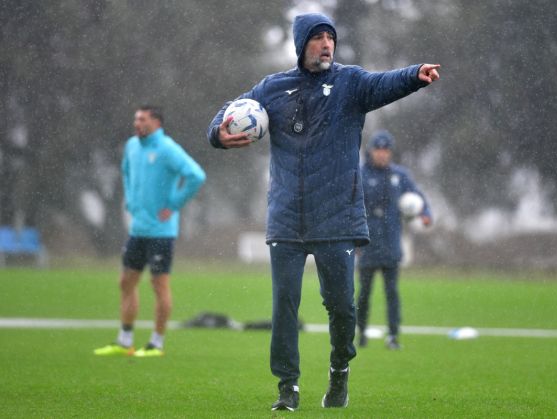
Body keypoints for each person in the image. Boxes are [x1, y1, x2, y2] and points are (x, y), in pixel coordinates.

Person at [207, 13, 440, 411]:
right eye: (317, 38)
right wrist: (217, 132)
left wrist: (415, 74)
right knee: (285, 303)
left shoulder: (351, 83)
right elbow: (232, 108)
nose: (326, 44)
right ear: (301, 45)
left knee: (342, 306)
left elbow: (385, 82)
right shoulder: (273, 88)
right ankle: (288, 387)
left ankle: (339, 371)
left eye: (330, 37)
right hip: (286, 218)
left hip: (337, 218)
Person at [95, 105, 206, 357]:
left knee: (159, 284)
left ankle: (156, 343)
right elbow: (125, 171)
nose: (137, 123)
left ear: (156, 122)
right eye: (135, 118)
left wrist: (174, 204)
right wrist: (131, 199)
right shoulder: (132, 146)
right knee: (126, 282)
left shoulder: (167, 149)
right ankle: (125, 340)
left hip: (161, 232)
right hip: (138, 230)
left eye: (142, 119)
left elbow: (196, 175)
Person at [357, 130, 432, 351]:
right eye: (378, 150)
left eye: (386, 150)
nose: (382, 154)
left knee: (392, 294)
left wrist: (425, 213)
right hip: (367, 245)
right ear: (370, 151)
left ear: (390, 153)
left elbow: (418, 198)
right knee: (363, 294)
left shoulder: (400, 176)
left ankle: (393, 336)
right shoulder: (360, 175)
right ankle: (360, 331)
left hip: (391, 244)